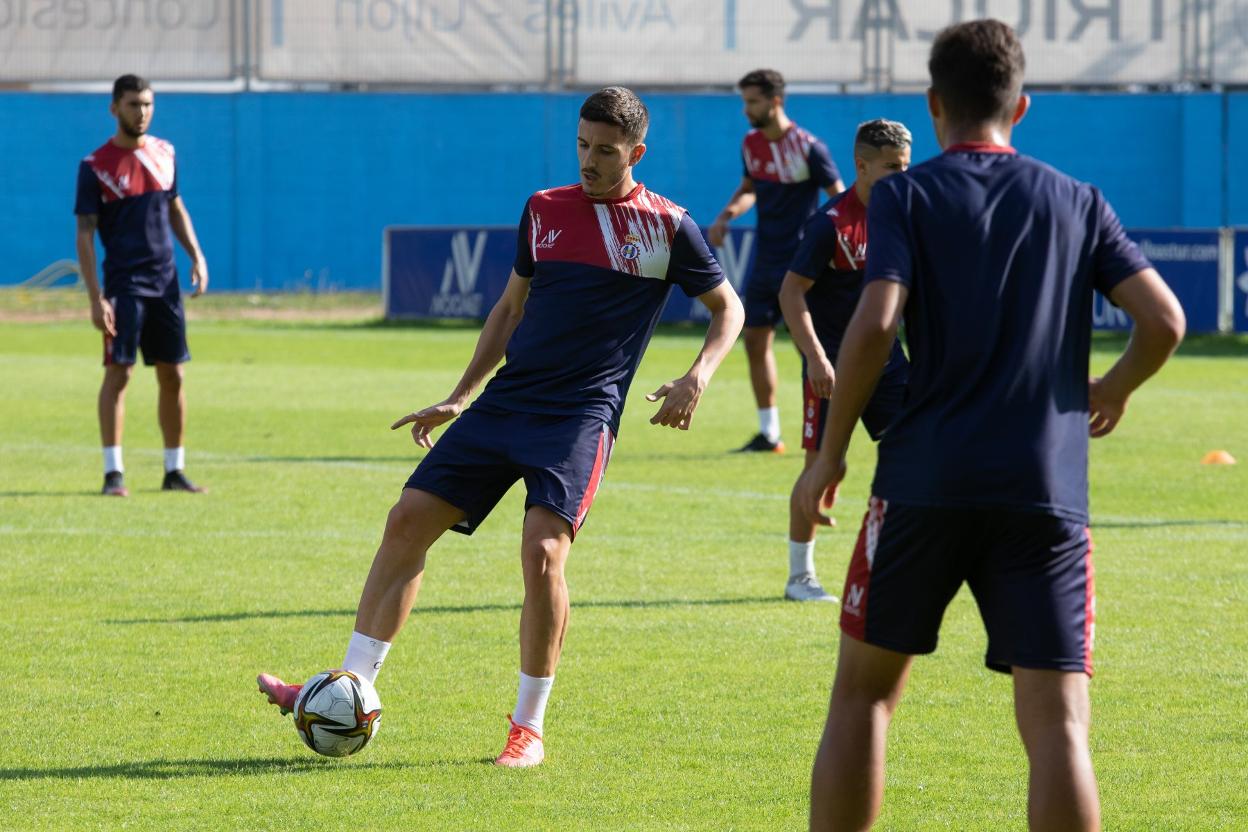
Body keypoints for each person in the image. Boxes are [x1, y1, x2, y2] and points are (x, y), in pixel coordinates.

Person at [258, 87, 744, 768]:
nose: (590, 161)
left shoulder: (667, 226)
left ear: (636, 153)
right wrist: (460, 395)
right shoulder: (543, 210)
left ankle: (528, 729)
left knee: (543, 557)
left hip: (580, 416)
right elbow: (509, 309)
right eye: (582, 145)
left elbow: (730, 310)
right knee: (407, 520)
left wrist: (699, 375)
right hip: (507, 403)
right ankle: (349, 687)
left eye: (606, 151)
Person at [796, 20, 1185, 831]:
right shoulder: (1078, 200)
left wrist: (828, 457)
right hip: (1043, 490)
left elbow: (872, 326)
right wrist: (1110, 388)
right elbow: (1164, 321)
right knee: (1058, 728)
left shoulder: (904, 193)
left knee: (863, 700)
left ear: (934, 104)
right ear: (1024, 105)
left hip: (922, 482)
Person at [776, 119, 912, 603]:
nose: (901, 176)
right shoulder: (831, 223)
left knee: (915, 454)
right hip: (833, 367)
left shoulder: (905, 217)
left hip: (890, 365)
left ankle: (900, 564)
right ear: (861, 166)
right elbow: (791, 293)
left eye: (905, 166)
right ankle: (800, 577)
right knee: (822, 467)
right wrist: (814, 358)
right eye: (892, 168)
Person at [75, 74, 209, 497]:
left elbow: (174, 207)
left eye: (148, 104)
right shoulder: (95, 166)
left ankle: (174, 470)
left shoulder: (165, 153)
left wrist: (196, 254)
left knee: (173, 375)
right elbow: (84, 233)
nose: (142, 112)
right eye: (134, 104)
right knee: (120, 372)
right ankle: (113, 472)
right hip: (123, 284)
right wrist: (96, 298)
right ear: (114, 108)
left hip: (164, 282)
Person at [708, 69, 845, 454]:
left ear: (776, 101)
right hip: (766, 259)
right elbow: (751, 188)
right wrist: (727, 214)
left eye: (752, 101)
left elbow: (839, 198)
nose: (746, 109)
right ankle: (770, 434)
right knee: (754, 341)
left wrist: (837, 248)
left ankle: (828, 430)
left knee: (812, 350)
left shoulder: (808, 147)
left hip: (802, 266)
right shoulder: (751, 144)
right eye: (745, 101)